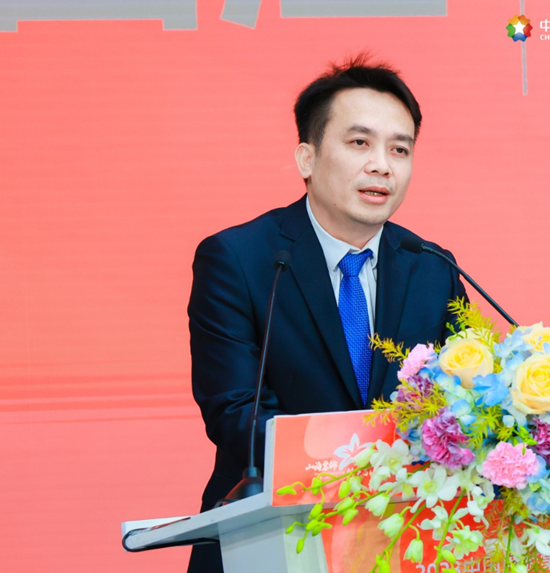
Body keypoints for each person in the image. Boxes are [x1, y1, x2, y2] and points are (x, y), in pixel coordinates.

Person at [186, 56, 467, 573]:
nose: (382, 165)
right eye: (360, 143)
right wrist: (375, 460)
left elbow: (460, 405)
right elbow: (237, 415)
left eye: (399, 149)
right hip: (273, 537)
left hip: (402, 538)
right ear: (307, 159)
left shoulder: (432, 267)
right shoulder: (241, 259)